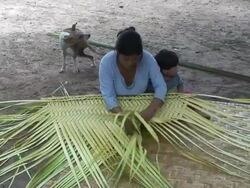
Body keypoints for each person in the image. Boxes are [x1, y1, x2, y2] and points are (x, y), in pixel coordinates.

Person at [99, 28, 167, 122]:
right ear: (117, 53)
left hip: (141, 103)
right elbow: (108, 93)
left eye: (135, 58)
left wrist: (150, 110)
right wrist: (122, 117)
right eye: (126, 59)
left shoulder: (148, 59)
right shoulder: (107, 62)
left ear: (141, 54)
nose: (130, 63)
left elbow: (161, 86)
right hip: (115, 106)